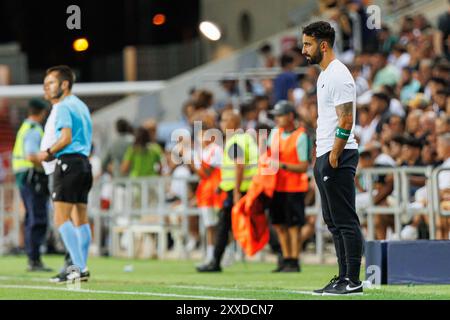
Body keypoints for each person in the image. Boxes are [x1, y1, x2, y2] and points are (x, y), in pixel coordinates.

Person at [302, 21, 363, 295]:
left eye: (308, 44)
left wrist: (335, 154)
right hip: (326, 151)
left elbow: (346, 118)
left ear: (323, 45)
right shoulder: (324, 74)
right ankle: (342, 277)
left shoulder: (339, 74)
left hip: (339, 153)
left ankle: (353, 280)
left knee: (345, 219)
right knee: (333, 220)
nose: (304, 50)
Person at [37, 65, 93, 283]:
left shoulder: (62, 107)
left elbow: (66, 138)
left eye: (51, 82)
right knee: (81, 219)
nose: (47, 87)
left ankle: (77, 267)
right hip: (84, 164)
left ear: (64, 84)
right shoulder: (81, 105)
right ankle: (83, 266)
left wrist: (47, 153)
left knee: (61, 218)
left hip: (68, 163)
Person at [196, 110, 258, 272]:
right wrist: (222, 186)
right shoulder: (242, 139)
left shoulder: (235, 141)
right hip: (243, 188)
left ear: (233, 123)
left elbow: (239, 166)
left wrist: (236, 191)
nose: (221, 124)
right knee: (232, 224)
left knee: (226, 225)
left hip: (238, 190)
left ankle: (215, 261)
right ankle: (284, 256)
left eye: (224, 120)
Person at [267, 101, 309, 272]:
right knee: (279, 225)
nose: (277, 119)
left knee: (293, 226)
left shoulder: (301, 136)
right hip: (276, 186)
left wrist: (281, 165)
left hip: (294, 187)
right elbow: (268, 156)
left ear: (290, 116)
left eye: (280, 115)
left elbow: (303, 166)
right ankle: (285, 258)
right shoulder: (275, 133)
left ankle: (294, 259)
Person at [12, 98, 52, 272]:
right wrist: (47, 163)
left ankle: (32, 257)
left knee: (31, 217)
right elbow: (31, 155)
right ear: (43, 112)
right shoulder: (34, 130)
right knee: (37, 217)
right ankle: (34, 259)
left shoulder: (24, 127)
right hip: (32, 176)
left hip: (24, 176)